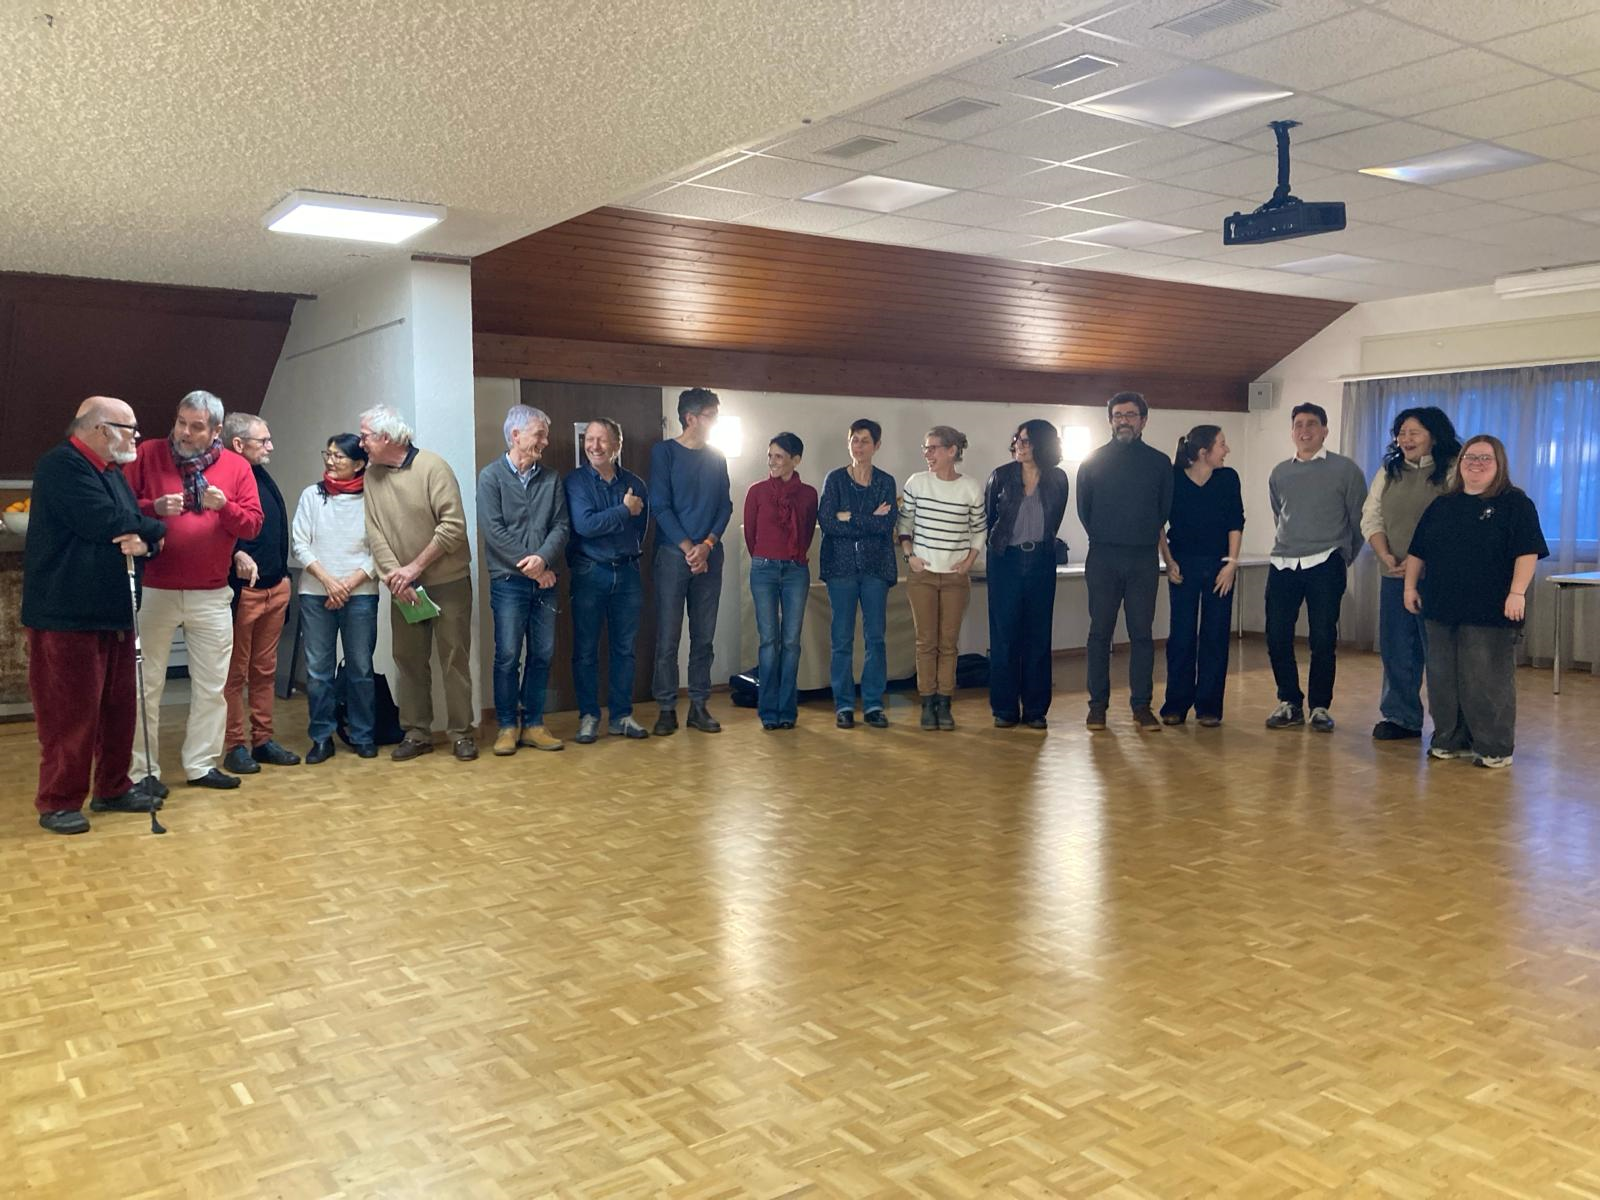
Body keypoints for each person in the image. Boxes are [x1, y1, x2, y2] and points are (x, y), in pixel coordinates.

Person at [22, 397, 166, 834]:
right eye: (130, 428)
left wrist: (146, 539)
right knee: (70, 715)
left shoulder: (111, 472)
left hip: (114, 612)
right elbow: (105, 521)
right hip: (67, 614)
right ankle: (58, 801)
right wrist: (154, 530)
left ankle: (112, 788)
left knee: (119, 709)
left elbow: (131, 521)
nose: (136, 437)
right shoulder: (61, 466)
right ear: (102, 429)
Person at [125, 390, 264, 792]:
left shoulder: (237, 467)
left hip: (211, 592)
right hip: (155, 588)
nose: (184, 432)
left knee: (212, 686)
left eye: (196, 426)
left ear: (216, 431)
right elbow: (121, 506)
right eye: (181, 422)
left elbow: (253, 525)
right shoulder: (148, 454)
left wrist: (225, 507)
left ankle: (201, 765)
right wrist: (153, 508)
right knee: (145, 684)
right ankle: (143, 771)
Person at [1405, 435, 1547, 769]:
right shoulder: (1443, 505)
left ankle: (1494, 746)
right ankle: (1450, 739)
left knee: (1485, 678)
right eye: (1470, 457)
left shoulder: (1515, 504)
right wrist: (1409, 587)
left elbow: (1527, 552)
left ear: (1499, 465)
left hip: (1491, 608)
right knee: (1442, 677)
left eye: (1485, 458)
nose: (1476, 464)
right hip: (1441, 605)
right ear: (1460, 464)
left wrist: (1517, 592)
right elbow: (1418, 550)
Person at [359, 404, 476, 761]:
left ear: (386, 437)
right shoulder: (372, 476)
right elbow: (375, 532)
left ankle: (461, 734)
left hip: (447, 581)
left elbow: (453, 527)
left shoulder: (433, 467)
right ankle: (416, 732)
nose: (361, 443)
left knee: (454, 659)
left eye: (365, 436)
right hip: (402, 587)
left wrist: (413, 568)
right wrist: (397, 577)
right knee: (408, 660)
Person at [1264, 402, 1367, 732]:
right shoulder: (1280, 472)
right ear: (1292, 431)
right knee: (1277, 635)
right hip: (1284, 562)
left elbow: (1359, 520)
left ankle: (1320, 706)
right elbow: (1279, 514)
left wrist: (1343, 556)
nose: (1304, 430)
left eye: (1311, 424)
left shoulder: (1345, 470)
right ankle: (1289, 702)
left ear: (1325, 430)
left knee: (1322, 638)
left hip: (1326, 561)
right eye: (1298, 424)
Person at [1362, 406, 1460, 741]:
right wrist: (1386, 555)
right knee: (1397, 649)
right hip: (1394, 575)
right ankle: (1401, 717)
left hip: (1438, 578)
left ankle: (1450, 724)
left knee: (1439, 652)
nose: (1406, 439)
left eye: (1414, 432)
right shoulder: (1389, 471)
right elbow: (1371, 516)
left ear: (1434, 435)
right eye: (1401, 433)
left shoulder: (1453, 469)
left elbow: (1457, 525)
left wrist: (1422, 563)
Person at [1076, 391, 1173, 732]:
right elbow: (1084, 510)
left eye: (1131, 415)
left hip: (1143, 557)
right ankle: (1097, 707)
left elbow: (1163, 510)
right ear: (1110, 421)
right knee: (1099, 633)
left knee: (1142, 634)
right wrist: (1107, 535)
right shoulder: (1092, 461)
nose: (1124, 421)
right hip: (1103, 556)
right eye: (1118, 415)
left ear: (1143, 420)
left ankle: (1142, 706)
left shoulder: (1159, 462)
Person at [478, 404, 570, 756]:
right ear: (515, 436)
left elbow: (561, 525)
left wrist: (543, 560)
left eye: (545, 435)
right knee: (507, 655)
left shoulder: (551, 478)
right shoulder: (491, 477)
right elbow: (494, 531)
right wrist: (532, 567)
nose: (545, 442)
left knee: (543, 654)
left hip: (545, 580)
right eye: (539, 435)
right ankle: (506, 725)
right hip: (508, 582)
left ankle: (534, 724)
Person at [220, 412, 301, 775]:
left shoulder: (261, 475)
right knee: (235, 673)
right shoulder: (224, 478)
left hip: (275, 587)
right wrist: (235, 554)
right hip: (244, 592)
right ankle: (235, 746)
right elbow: (216, 528)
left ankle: (263, 740)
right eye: (263, 440)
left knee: (265, 671)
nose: (270, 446)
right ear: (238, 444)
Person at [290, 434, 379, 764]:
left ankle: (363, 735)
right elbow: (299, 544)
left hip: (361, 595)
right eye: (327, 454)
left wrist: (348, 585)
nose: (330, 461)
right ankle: (321, 737)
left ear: (358, 464)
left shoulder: (373, 498)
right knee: (318, 671)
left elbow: (380, 550)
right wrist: (330, 583)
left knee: (361, 667)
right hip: (316, 594)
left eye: (338, 456)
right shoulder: (312, 495)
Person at [650, 387, 733, 736]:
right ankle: (666, 707)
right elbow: (660, 505)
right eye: (712, 416)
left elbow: (725, 505)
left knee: (704, 637)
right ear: (691, 418)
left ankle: (699, 705)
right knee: (668, 638)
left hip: (709, 555)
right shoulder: (664, 452)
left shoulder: (717, 456)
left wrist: (708, 545)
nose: (716, 422)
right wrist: (689, 548)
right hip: (673, 554)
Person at [565, 418, 651, 744]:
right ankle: (588, 716)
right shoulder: (575, 482)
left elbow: (640, 529)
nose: (594, 446)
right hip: (590, 572)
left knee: (625, 649)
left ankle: (621, 716)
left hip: (627, 572)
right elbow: (585, 526)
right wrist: (623, 511)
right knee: (585, 649)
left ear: (617, 445)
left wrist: (616, 519)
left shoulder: (635, 484)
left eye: (602, 440)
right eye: (589, 439)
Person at [897, 425, 984, 731]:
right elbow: (904, 523)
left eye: (933, 448)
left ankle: (945, 703)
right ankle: (927, 702)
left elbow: (979, 528)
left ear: (952, 451)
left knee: (948, 643)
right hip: (923, 575)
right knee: (925, 642)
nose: (927, 454)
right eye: (925, 448)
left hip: (955, 577)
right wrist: (909, 555)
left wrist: (969, 561)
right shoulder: (917, 482)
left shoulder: (970, 487)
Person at [984, 420, 1069, 729]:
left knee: (1038, 636)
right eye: (1017, 439)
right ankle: (1004, 709)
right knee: (1004, 636)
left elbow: (1055, 520)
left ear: (1042, 445)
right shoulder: (1001, 475)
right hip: (1005, 561)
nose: (1019, 445)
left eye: (1027, 441)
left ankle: (1035, 709)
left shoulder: (1058, 478)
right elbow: (991, 520)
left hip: (1041, 561)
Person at [1158, 425, 1244, 727]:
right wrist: (1168, 561)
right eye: (1222, 444)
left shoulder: (1228, 478)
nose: (1226, 450)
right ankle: (1176, 704)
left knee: (1215, 635)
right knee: (1181, 636)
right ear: (1203, 452)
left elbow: (1236, 521)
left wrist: (1231, 564)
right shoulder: (1173, 478)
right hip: (1183, 564)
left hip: (1220, 566)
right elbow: (1158, 522)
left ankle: (1209, 706)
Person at [817, 419, 897, 729]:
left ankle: (874, 704)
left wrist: (849, 517)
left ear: (877, 446)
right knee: (842, 639)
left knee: (875, 637)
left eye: (865, 440)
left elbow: (886, 524)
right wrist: (866, 518)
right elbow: (828, 522)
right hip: (841, 568)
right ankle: (844, 705)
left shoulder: (885, 481)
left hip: (876, 567)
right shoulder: (835, 479)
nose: (859, 446)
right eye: (854, 440)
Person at [744, 432, 819, 731]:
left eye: (779, 456)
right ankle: (768, 710)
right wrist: (766, 557)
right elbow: (751, 534)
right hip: (763, 568)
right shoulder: (757, 491)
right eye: (770, 456)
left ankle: (787, 709)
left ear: (795, 460)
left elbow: (807, 532)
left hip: (796, 569)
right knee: (768, 640)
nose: (772, 462)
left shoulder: (809, 494)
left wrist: (793, 556)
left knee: (791, 641)